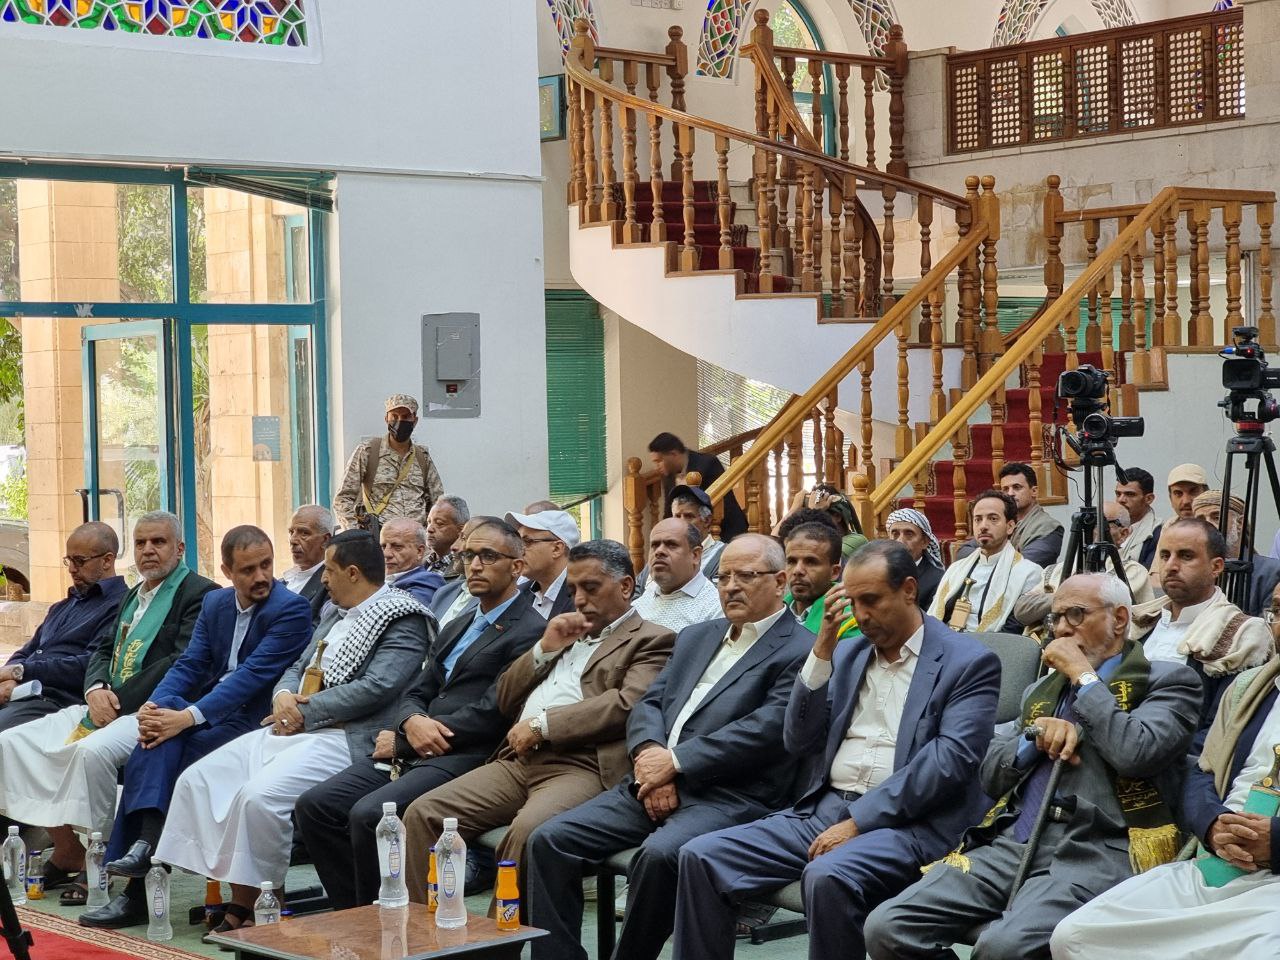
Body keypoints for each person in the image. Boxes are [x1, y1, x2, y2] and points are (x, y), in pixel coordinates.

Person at [673, 541, 1002, 960]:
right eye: (853, 602)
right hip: (824, 811)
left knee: (827, 875)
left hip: (909, 824)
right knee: (701, 857)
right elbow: (799, 741)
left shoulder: (967, 662)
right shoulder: (848, 652)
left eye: (872, 600)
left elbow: (949, 763)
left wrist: (859, 821)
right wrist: (821, 653)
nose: (861, 615)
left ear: (908, 590)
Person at [865, 572, 1203, 960]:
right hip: (1015, 839)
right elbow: (990, 775)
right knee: (887, 927)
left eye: (1076, 614)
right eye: (1055, 618)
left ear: (1120, 619)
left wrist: (1084, 678)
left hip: (1094, 850)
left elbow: (1136, 753)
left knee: (1001, 948)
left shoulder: (1168, 681)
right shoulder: (1040, 692)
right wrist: (1034, 737)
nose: (1061, 628)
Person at [526, 534, 813, 960]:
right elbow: (649, 704)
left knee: (659, 856)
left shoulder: (801, 649)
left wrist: (675, 763)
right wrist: (649, 757)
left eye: (746, 576)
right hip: (649, 778)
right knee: (549, 840)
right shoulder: (698, 635)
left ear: (781, 581)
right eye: (723, 577)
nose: (731, 586)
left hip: (729, 794)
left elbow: (766, 731)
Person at [152, 530, 432, 935]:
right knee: (201, 779)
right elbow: (298, 666)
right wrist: (283, 696)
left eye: (329, 570)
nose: (323, 579)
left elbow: (378, 687)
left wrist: (304, 711)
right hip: (293, 724)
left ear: (353, 573)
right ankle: (244, 896)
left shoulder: (403, 618)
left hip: (345, 735)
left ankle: (263, 903)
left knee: (258, 797)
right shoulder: (335, 612)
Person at [401, 540, 677, 902]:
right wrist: (543, 649)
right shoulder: (563, 632)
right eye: (573, 590)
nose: (579, 600)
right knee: (423, 813)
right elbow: (504, 697)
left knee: (528, 832)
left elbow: (626, 704)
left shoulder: (652, 639)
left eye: (591, 588)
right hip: (518, 761)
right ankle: (425, 929)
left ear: (625, 586)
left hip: (581, 766)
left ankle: (503, 936)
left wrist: (541, 725)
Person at [295, 518, 547, 911]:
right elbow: (418, 688)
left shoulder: (530, 630)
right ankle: (358, 914)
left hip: (467, 753)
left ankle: (388, 921)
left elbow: (494, 710)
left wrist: (410, 738)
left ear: (516, 566)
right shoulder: (460, 621)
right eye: (469, 555)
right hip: (415, 743)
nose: (474, 565)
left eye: (487, 556)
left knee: (369, 814)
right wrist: (410, 722)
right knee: (315, 806)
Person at [78, 526, 313, 929]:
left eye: (266, 565)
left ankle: (140, 868)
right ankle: (143, 855)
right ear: (227, 571)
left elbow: (253, 677)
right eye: (248, 570)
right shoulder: (216, 603)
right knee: (153, 734)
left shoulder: (290, 609)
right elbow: (190, 664)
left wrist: (186, 718)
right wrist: (154, 708)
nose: (261, 577)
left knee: (168, 748)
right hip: (208, 709)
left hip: (254, 721)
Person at [0, 511, 216, 900]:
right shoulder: (135, 595)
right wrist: (96, 688)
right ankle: (67, 848)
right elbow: (102, 650)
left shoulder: (200, 594)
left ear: (180, 548)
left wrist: (116, 701)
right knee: (12, 744)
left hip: (155, 709)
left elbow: (182, 662)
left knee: (90, 754)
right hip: (101, 702)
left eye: (159, 542)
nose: (148, 550)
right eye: (141, 543)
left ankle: (100, 863)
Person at [1050, 643, 1280, 958]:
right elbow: (1202, 773)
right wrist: (1212, 825)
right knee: (1074, 937)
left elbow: (1134, 754)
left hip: (1272, 891)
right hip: (1215, 864)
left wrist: (1275, 839)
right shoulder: (1251, 686)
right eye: (1277, 616)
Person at [1131, 518, 1274, 730]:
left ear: (1216, 567)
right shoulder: (1139, 623)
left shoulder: (1244, 635)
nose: (1171, 566)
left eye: (1186, 556)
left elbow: (1221, 730)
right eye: (1165, 556)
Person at [0, 522, 126, 733]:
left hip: (55, 701)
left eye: (80, 561)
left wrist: (20, 672)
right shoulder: (63, 605)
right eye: (69, 560)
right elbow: (28, 650)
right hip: (23, 694)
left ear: (107, 560)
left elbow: (91, 664)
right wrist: (9, 678)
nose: (71, 569)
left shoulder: (120, 605)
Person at [1014, 501, 1156, 633]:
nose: (1089, 528)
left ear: (1123, 534)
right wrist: (1064, 599)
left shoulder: (1133, 572)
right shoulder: (1056, 570)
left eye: (1098, 522)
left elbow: (1097, 607)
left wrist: (1052, 601)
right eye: (1087, 523)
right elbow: (1021, 610)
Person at [930, 490, 1044, 634]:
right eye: (978, 519)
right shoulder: (956, 569)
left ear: (1010, 527)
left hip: (993, 644)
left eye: (993, 519)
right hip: (946, 641)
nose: (983, 526)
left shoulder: (1029, 573)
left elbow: (1014, 629)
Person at [333, 393, 445, 532]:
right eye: (394, 416)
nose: (400, 421)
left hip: (416, 539)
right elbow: (343, 499)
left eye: (405, 417)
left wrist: (432, 534)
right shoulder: (369, 451)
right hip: (379, 538)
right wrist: (356, 533)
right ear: (386, 419)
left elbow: (439, 503)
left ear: (415, 421)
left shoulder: (422, 457)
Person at [954, 463, 1064, 568]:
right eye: (1005, 489)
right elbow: (963, 552)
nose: (1010, 493)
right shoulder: (1001, 521)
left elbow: (1025, 565)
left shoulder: (1049, 527)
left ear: (1034, 491)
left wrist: (988, 556)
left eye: (1017, 487)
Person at [1191, 488, 1280, 617]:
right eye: (1201, 520)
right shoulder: (1193, 572)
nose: (1208, 525)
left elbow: (1270, 625)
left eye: (1216, 517)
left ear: (1240, 523)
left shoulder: (1271, 572)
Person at [649, 433, 746, 542]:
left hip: (727, 533)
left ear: (673, 454)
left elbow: (724, 505)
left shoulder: (708, 463)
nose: (656, 467)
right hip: (690, 537)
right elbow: (668, 510)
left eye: (659, 461)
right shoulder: (668, 474)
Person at [632, 518, 723, 633]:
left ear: (695, 555)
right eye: (655, 545)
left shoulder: (716, 609)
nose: (659, 551)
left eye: (671, 545)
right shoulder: (639, 604)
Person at [783, 522, 859, 641]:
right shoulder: (774, 610)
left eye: (811, 562)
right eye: (791, 561)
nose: (797, 570)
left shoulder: (849, 618)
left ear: (834, 572)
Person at [506, 509, 580, 619]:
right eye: (517, 543)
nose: (518, 551)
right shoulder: (517, 594)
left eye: (527, 542)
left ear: (557, 549)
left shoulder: (584, 596)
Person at [775, 486, 868, 561]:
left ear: (837, 516)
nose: (816, 520)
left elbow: (819, 557)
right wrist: (793, 509)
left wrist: (813, 511)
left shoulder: (857, 541)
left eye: (821, 514)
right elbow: (774, 548)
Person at [281, 505, 334, 625]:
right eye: (291, 532)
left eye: (304, 533)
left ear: (325, 540)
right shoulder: (280, 583)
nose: (293, 540)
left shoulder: (331, 585)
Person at [885, 508, 944, 610]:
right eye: (895, 534)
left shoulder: (937, 580)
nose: (900, 541)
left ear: (924, 542)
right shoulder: (881, 571)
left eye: (909, 534)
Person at [381, 517, 445, 607]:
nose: (386, 554)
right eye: (383, 547)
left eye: (397, 547)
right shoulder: (378, 579)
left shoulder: (426, 581)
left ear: (419, 552)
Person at [1113, 467, 1161, 568]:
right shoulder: (1108, 527)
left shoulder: (1159, 534)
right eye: (1118, 494)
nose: (1121, 500)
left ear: (1149, 499)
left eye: (1130, 494)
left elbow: (1146, 574)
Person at [424, 495, 469, 578]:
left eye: (439, 523)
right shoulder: (417, 563)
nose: (429, 529)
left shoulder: (467, 569)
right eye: (429, 522)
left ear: (461, 530)